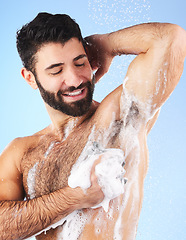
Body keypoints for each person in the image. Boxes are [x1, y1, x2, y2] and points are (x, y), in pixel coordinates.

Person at [0, 12, 185, 240]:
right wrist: (75, 196)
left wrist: (107, 43)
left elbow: (171, 38)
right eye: (57, 70)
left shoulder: (120, 117)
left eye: (80, 62)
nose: (76, 79)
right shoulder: (21, 153)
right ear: (30, 78)